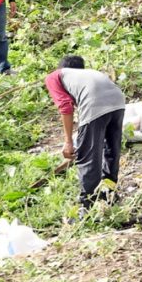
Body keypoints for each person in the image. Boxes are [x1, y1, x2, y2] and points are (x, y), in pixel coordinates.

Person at [44, 55, 125, 210]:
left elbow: (65, 107)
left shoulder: (54, 76)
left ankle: (87, 205)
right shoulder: (87, 74)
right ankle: (109, 193)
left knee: (88, 156)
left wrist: (68, 142)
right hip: (118, 100)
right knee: (111, 151)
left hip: (95, 101)